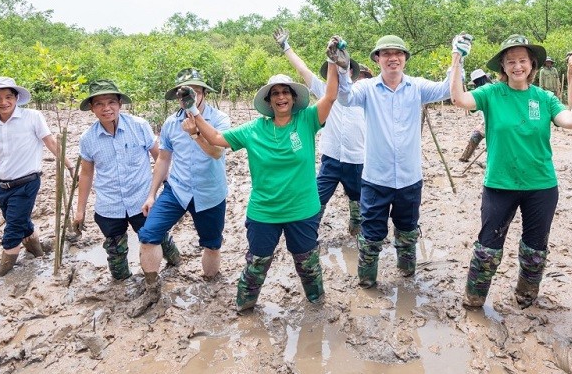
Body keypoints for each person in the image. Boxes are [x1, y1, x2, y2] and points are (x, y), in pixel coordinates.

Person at [188, 41, 342, 313]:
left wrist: (332, 61)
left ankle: (317, 306)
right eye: (275, 94)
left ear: (293, 98)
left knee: (307, 264)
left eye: (286, 92)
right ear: (268, 101)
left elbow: (329, 97)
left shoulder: (306, 120)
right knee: (257, 263)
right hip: (264, 212)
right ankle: (244, 308)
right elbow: (215, 138)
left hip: (303, 210)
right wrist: (194, 110)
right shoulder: (253, 130)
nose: (281, 97)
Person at [451, 35, 572, 308]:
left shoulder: (544, 98)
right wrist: (457, 57)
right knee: (488, 247)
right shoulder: (491, 94)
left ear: (531, 64)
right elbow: (458, 99)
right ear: (503, 66)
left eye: (522, 60)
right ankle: (475, 298)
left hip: (541, 186)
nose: (517, 66)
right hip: (500, 184)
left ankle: (526, 296)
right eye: (511, 61)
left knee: (535, 248)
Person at [336, 34, 452, 288]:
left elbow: (447, 89)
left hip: (410, 178)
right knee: (371, 234)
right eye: (386, 54)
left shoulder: (417, 87)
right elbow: (344, 98)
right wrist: (342, 69)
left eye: (398, 54)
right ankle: (367, 281)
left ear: (405, 59)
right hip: (376, 179)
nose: (393, 58)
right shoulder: (367, 89)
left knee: (408, 230)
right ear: (377, 59)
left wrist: (458, 57)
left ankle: (406, 273)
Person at [132, 69, 231, 315]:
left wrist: (196, 132)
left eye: (195, 91)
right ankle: (152, 290)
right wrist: (151, 194)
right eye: (184, 94)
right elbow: (164, 159)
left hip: (210, 192)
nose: (189, 97)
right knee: (148, 234)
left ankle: (210, 285)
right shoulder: (170, 123)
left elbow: (217, 152)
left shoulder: (219, 119)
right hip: (177, 189)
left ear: (204, 93)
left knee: (212, 245)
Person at [274, 27, 372, 236]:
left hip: (358, 160)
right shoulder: (324, 92)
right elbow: (303, 70)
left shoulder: (363, 95)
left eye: (341, 67)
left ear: (350, 73)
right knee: (316, 201)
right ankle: (308, 237)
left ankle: (358, 234)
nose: (336, 71)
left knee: (361, 203)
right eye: (332, 69)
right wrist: (286, 47)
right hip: (331, 160)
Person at [0, 77, 69, 276]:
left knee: (12, 229)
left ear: (17, 98)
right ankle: (38, 252)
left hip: (27, 182)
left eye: (9, 97)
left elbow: (50, 142)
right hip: (2, 184)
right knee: (19, 221)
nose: (4, 102)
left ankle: (3, 273)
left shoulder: (32, 117)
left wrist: (69, 165)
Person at [73, 80, 159, 282]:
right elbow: (86, 174)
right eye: (99, 104)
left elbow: (160, 158)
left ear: (120, 103)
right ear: (92, 109)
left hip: (142, 200)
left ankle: (174, 262)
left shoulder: (139, 126)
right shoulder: (88, 138)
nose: (106, 108)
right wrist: (80, 209)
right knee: (115, 251)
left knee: (157, 239)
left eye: (111, 102)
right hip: (109, 204)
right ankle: (122, 284)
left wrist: (162, 193)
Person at [458, 69, 491, 163]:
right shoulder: (494, 87)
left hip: (490, 122)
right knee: (479, 135)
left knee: (477, 137)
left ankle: (465, 157)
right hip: (491, 121)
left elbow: (472, 109)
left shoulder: (480, 91)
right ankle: (465, 157)